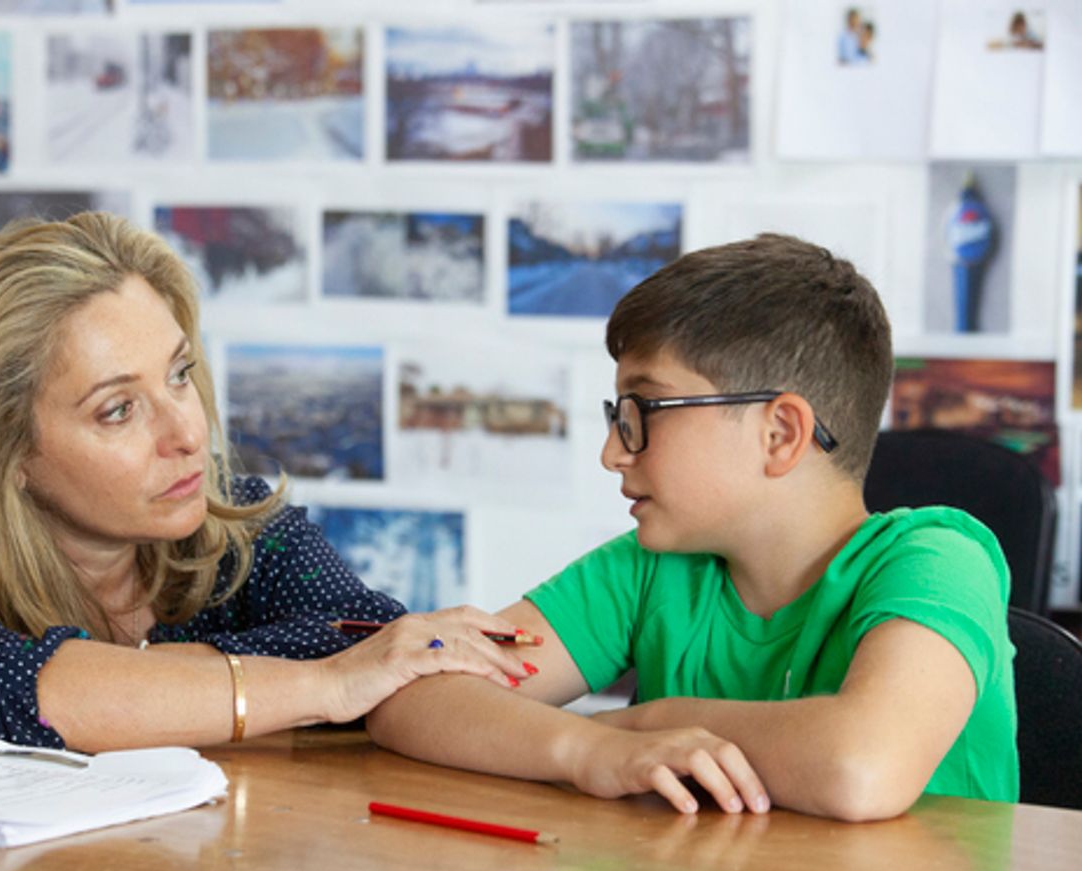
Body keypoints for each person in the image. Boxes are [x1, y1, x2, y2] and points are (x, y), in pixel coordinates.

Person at [0, 211, 535, 752]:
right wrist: (324, 684)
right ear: (3, 450)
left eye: (180, 373)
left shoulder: (241, 525)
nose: (188, 433)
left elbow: (374, 639)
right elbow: (15, 696)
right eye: (118, 409)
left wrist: (155, 681)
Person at [368, 233, 1018, 821]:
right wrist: (588, 747)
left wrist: (657, 719)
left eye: (645, 409)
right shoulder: (650, 568)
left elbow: (861, 768)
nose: (614, 451)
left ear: (779, 433)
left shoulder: (939, 560)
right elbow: (412, 698)